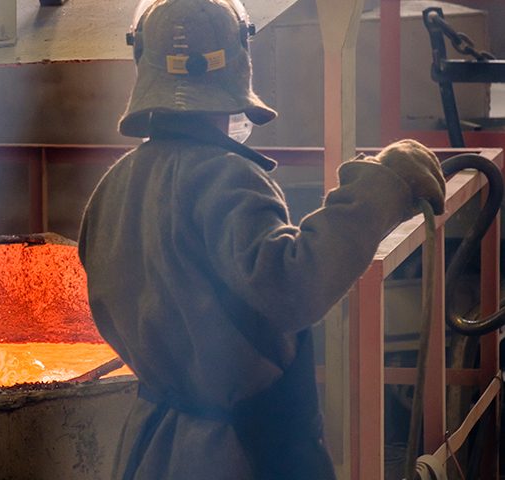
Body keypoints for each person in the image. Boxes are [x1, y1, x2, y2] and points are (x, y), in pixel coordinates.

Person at [77, 0, 446, 478]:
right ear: (238, 64)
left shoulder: (116, 185)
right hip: (238, 452)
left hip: (153, 442)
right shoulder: (226, 176)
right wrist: (381, 187)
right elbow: (294, 284)